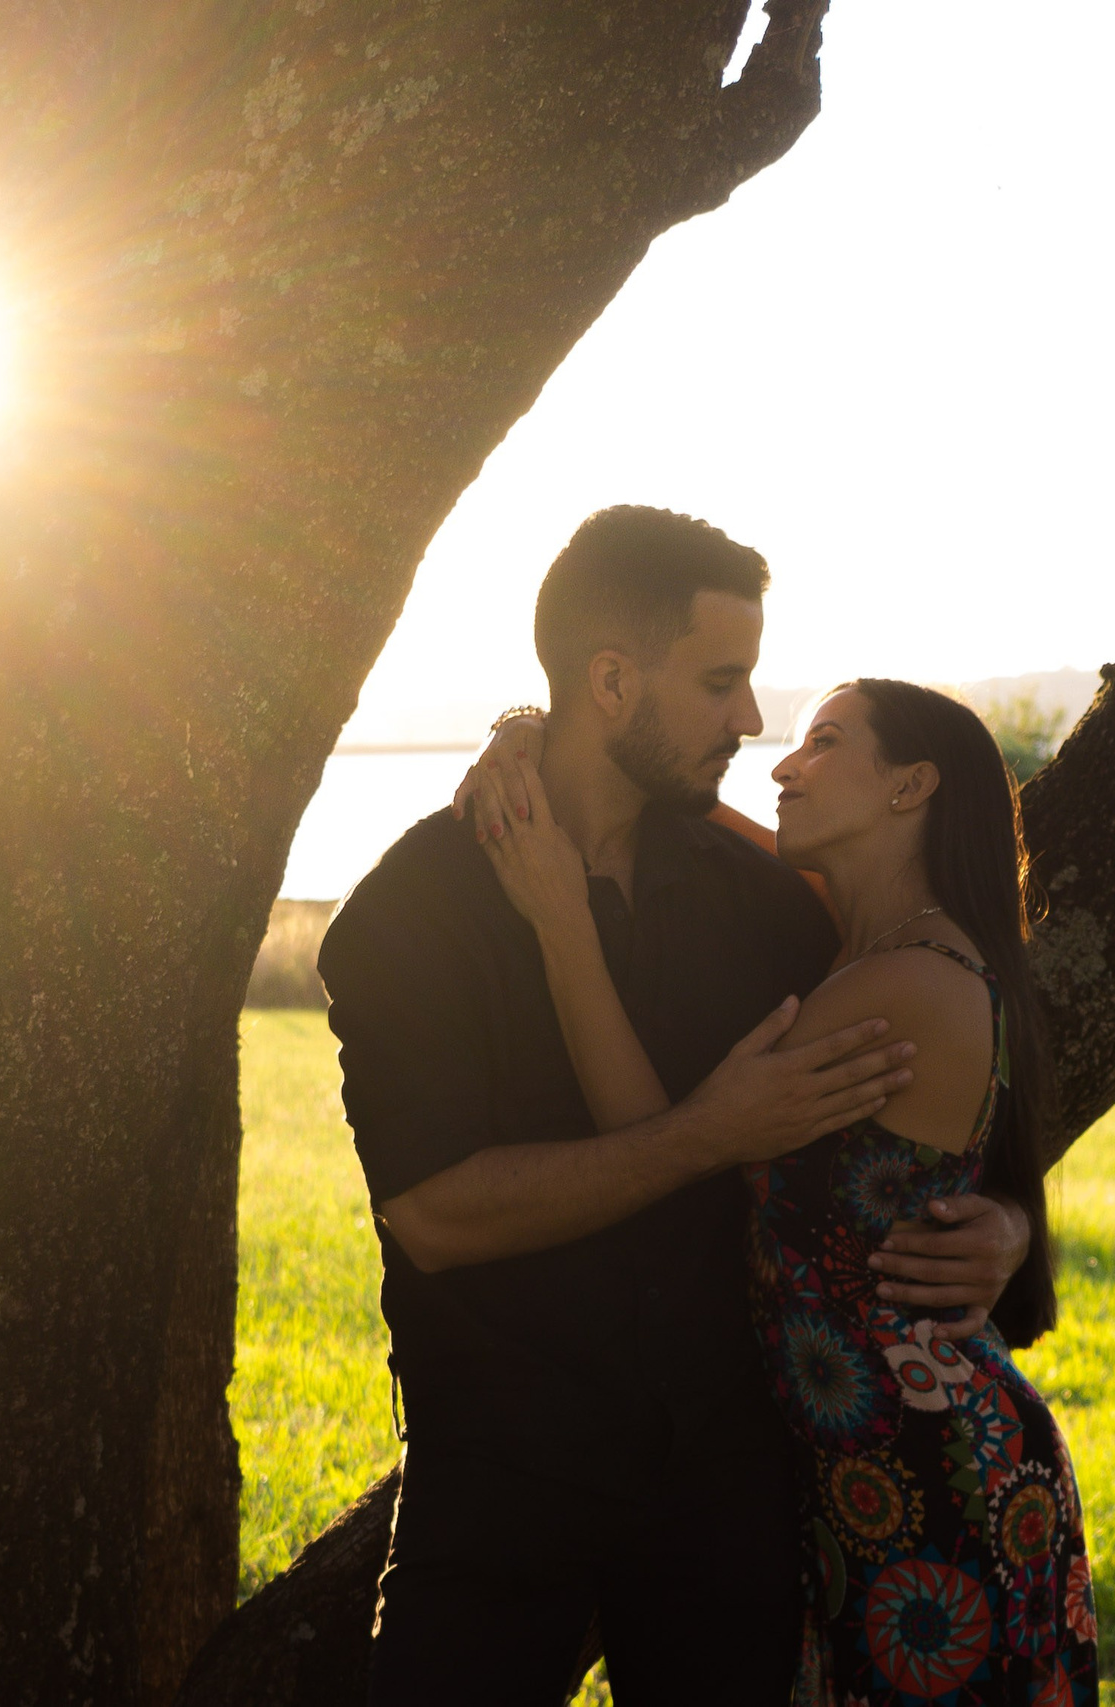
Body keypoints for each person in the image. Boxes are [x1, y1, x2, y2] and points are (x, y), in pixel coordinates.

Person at [316, 506, 1035, 1705]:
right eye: (719, 682)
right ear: (610, 680)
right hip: (505, 1474)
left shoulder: (769, 902)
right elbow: (437, 1216)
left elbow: (949, 1029)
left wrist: (1008, 1216)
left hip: (732, 1478)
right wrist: (703, 1134)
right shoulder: (410, 914)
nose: (750, 721)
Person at [474, 677, 1096, 1706]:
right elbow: (663, 802)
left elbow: (660, 1141)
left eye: (823, 743)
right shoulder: (875, 946)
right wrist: (536, 730)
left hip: (930, 1475)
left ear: (910, 787)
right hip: (875, 1468)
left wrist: (558, 921)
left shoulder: (896, 985)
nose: (781, 764)